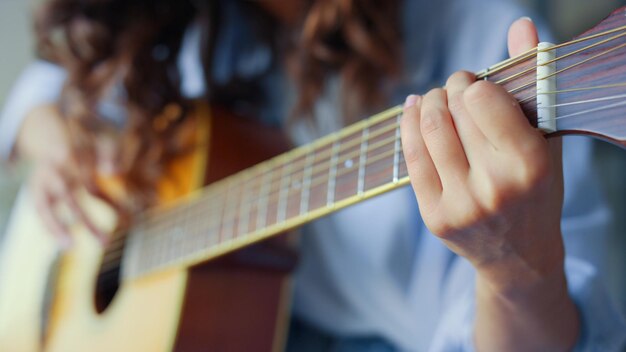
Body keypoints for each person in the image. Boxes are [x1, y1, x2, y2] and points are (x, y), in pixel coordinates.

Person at [1, 0, 625, 350]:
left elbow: (564, 333)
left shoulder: (481, 27)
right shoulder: (166, 24)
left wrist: (516, 272)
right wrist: (39, 128)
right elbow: (54, 83)